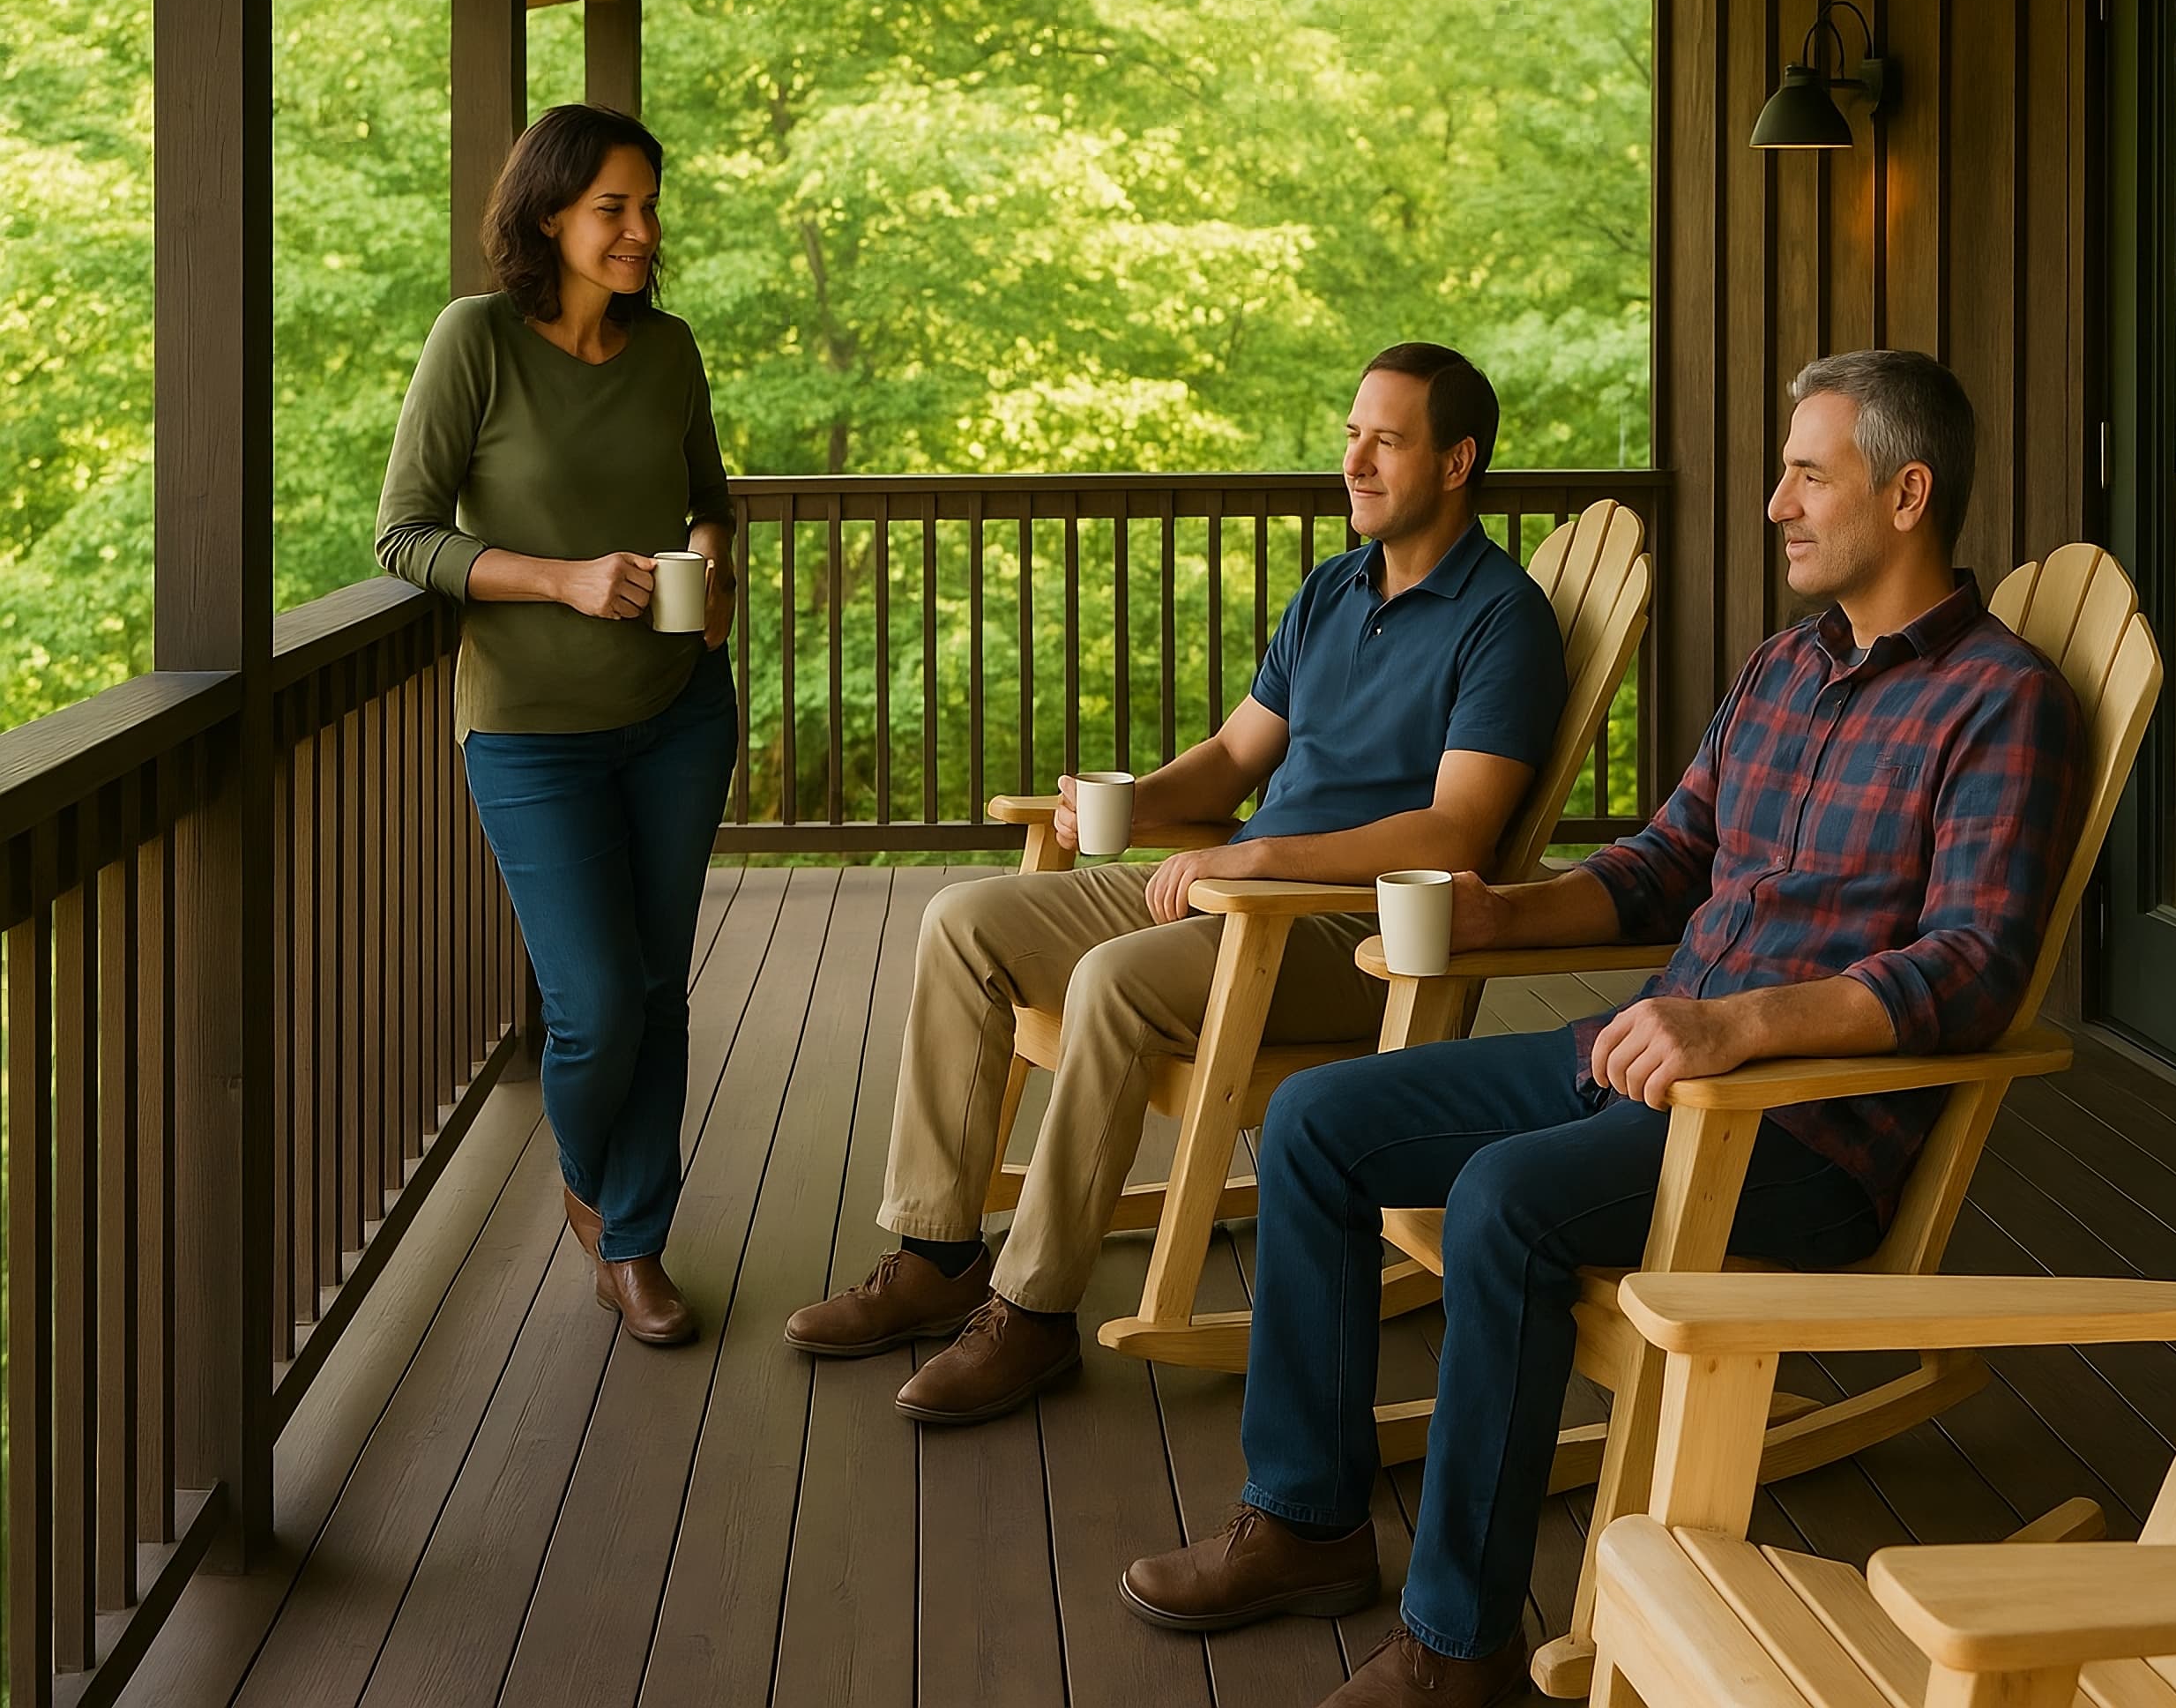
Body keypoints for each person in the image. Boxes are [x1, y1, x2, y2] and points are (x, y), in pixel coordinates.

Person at [1116, 349, 2088, 1708]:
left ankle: (1457, 1649)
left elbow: (1976, 966)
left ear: (1908, 493)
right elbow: (1667, 861)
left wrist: (1744, 1025)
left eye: (1808, 476)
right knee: (1319, 1121)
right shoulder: (1783, 668)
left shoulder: (2002, 703)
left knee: (1503, 1202)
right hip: (1639, 1056)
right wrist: (1501, 914)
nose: (1776, 504)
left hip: (1799, 1130)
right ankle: (1307, 1523)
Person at [784, 344, 1570, 1426]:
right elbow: (1238, 754)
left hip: (1358, 936)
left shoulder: (1503, 619)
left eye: (1387, 441)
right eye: (1352, 434)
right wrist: (1131, 802)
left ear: (1456, 461)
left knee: (1114, 980)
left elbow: (1457, 828)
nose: (1354, 460)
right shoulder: (1334, 587)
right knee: (964, 920)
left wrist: (1254, 857)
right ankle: (936, 1253)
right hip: (1234, 894)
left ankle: (1032, 1309)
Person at [376, 105, 740, 1347]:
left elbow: (711, 500)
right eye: (613, 209)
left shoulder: (669, 349)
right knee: (594, 1005)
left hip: (679, 714)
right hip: (530, 729)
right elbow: (404, 535)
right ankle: (591, 1189)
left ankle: (634, 1242)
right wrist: (563, 578)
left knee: (658, 989)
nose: (642, 230)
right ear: (548, 216)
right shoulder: (474, 339)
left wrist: (712, 566)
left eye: (649, 206)